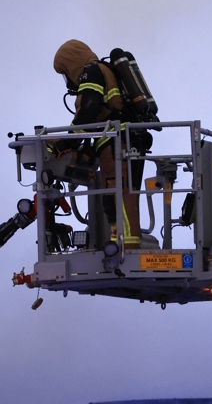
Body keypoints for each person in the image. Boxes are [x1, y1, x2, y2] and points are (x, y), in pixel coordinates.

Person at [52, 40, 154, 248]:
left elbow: (88, 110)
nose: (68, 79)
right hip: (126, 139)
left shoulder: (91, 72)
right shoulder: (106, 70)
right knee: (118, 197)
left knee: (120, 197)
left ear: (72, 62)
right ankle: (120, 244)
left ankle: (126, 250)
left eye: (65, 71)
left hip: (117, 144)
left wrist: (66, 142)